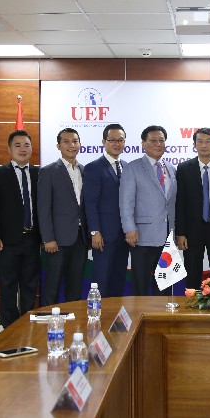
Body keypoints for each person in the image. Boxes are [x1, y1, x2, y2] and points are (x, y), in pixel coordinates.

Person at [0, 130, 41, 328]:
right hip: (7, 241)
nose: (22, 149)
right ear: (9, 149)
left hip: (33, 239)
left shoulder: (39, 173)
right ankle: (9, 326)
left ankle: (26, 323)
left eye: (26, 145)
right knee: (8, 285)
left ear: (32, 148)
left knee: (29, 285)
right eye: (17, 145)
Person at [120, 125, 177, 295]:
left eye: (161, 140)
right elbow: (126, 202)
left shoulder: (171, 168)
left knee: (165, 286)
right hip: (141, 237)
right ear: (143, 144)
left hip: (167, 236)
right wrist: (129, 229)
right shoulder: (133, 168)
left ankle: (164, 312)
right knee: (141, 286)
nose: (158, 144)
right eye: (153, 140)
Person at [38, 128, 88, 305]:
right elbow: (43, 208)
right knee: (52, 286)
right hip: (57, 241)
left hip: (81, 239)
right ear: (58, 146)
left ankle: (73, 319)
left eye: (75, 141)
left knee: (75, 286)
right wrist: (48, 238)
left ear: (80, 144)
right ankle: (46, 320)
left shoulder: (85, 171)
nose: (71, 145)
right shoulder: (48, 171)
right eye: (66, 141)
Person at [175, 128, 210, 288]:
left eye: (208, 141)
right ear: (194, 144)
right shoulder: (184, 168)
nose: (204, 145)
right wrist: (180, 233)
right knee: (192, 273)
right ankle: (192, 302)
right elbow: (180, 202)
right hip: (192, 230)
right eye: (200, 141)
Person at [84, 124, 129, 297]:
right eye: (112, 140)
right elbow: (90, 202)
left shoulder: (127, 166)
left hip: (124, 235)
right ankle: (98, 312)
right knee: (101, 279)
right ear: (104, 142)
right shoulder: (93, 167)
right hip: (103, 235)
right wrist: (95, 231)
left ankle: (115, 312)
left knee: (119, 278)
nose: (117, 144)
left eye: (120, 140)